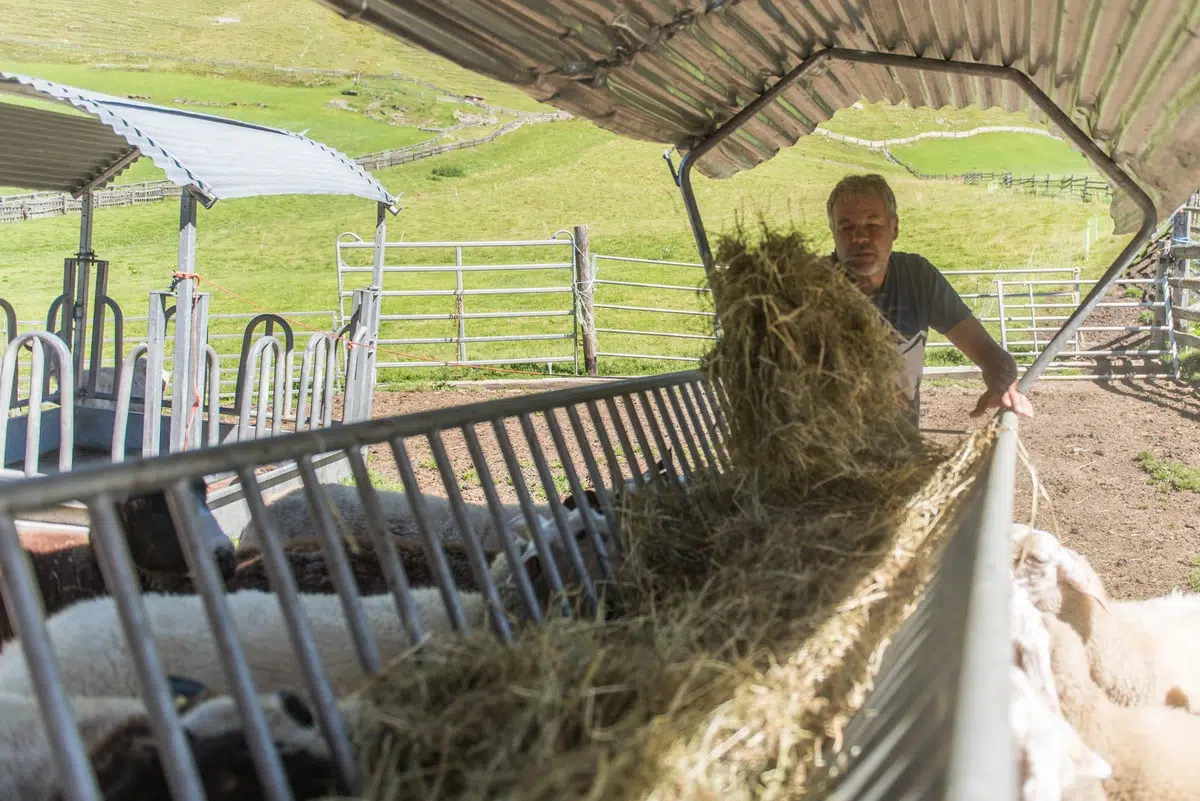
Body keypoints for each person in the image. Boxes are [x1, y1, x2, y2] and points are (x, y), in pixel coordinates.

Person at [826, 173, 1034, 423]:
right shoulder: (806, 286)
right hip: (821, 453)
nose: (859, 237)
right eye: (846, 227)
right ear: (833, 232)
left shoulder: (918, 278)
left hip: (901, 452)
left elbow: (987, 351)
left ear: (895, 228)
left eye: (873, 224)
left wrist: (1003, 381)